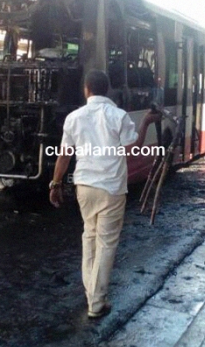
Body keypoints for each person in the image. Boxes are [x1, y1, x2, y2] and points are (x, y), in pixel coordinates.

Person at [49, 70, 160, 320]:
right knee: (106, 243)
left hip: (84, 187)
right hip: (111, 187)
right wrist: (145, 123)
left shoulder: (73, 118)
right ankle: (96, 303)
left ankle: (91, 293)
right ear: (107, 89)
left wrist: (55, 184)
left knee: (89, 236)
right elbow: (132, 149)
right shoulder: (118, 116)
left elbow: (64, 155)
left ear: (86, 89)